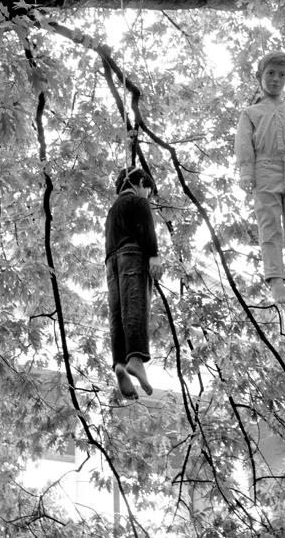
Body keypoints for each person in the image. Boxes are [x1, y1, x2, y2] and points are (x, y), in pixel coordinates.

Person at [234, 50, 285, 305]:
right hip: (265, 169)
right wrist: (246, 172)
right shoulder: (250, 113)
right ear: (260, 76)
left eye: (282, 75)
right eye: (270, 73)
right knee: (269, 226)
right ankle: (276, 280)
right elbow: (244, 145)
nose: (275, 79)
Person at [105, 166, 163, 399]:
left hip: (111, 263)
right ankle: (136, 358)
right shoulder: (139, 203)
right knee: (136, 304)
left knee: (117, 312)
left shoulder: (112, 211)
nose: (147, 196)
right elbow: (147, 231)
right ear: (139, 183)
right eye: (147, 190)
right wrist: (154, 256)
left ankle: (119, 362)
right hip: (132, 256)